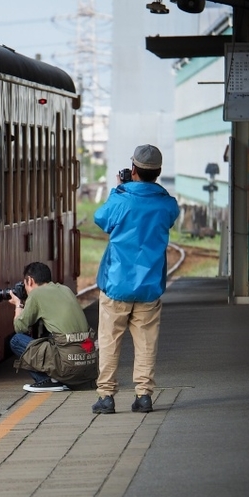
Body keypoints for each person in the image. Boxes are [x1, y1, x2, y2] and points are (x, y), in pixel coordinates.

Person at [91, 144, 180, 415]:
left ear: (133, 170)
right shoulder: (167, 204)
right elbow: (168, 217)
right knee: (146, 343)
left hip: (117, 284)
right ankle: (143, 396)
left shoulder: (121, 198)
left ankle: (106, 397)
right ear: (159, 172)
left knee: (109, 341)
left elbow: (100, 219)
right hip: (149, 286)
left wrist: (120, 188)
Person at [8, 261, 97, 392]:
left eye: (25, 284)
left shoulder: (36, 294)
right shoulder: (65, 289)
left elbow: (19, 327)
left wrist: (18, 304)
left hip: (69, 367)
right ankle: (58, 378)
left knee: (16, 340)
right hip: (88, 366)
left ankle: (46, 381)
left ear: (30, 281)